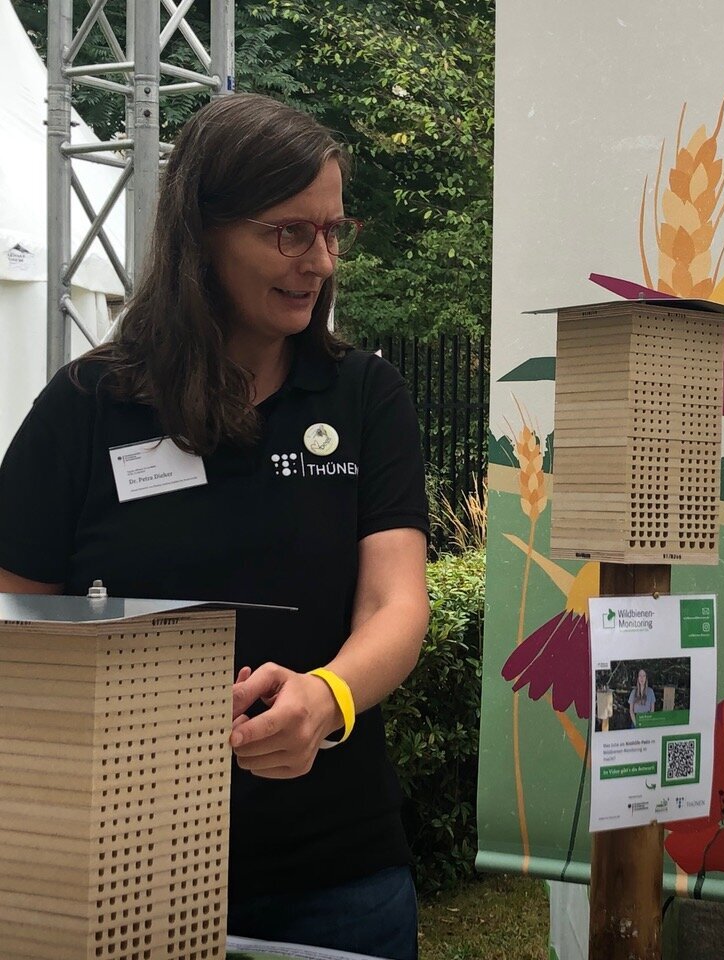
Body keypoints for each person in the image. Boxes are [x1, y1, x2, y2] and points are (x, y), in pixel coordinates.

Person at [0, 94, 430, 959]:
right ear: (202, 233)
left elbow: (396, 604)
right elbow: (17, 624)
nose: (320, 261)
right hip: (122, 874)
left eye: (332, 231)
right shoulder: (87, 406)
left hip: (335, 877)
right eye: (290, 233)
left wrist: (328, 697)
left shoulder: (364, 397)